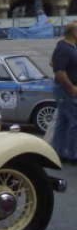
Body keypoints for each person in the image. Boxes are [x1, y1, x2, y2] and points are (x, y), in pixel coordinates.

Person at [50, 21, 77, 162]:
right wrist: (71, 88)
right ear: (74, 32)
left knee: (64, 121)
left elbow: (52, 63)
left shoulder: (70, 47)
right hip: (66, 90)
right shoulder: (64, 48)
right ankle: (73, 154)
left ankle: (59, 151)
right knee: (75, 121)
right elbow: (59, 71)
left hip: (67, 89)